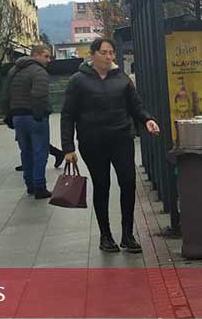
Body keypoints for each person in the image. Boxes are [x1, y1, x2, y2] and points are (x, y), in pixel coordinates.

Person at [61, 38, 160, 254]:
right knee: (102, 185)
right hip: (92, 142)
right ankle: (105, 236)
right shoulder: (78, 81)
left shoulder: (122, 79)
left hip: (121, 138)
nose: (109, 57)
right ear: (93, 54)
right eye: (104, 52)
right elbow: (67, 115)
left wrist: (147, 120)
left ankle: (127, 235)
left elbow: (136, 106)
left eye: (112, 53)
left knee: (127, 182)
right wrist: (68, 148)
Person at [4, 44, 55, 199]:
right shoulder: (39, 71)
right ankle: (40, 186)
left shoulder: (13, 70)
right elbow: (40, 95)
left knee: (26, 151)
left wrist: (9, 115)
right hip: (34, 116)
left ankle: (30, 185)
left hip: (18, 116)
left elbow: (7, 94)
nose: (48, 60)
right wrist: (40, 114)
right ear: (36, 55)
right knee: (40, 151)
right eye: (46, 56)